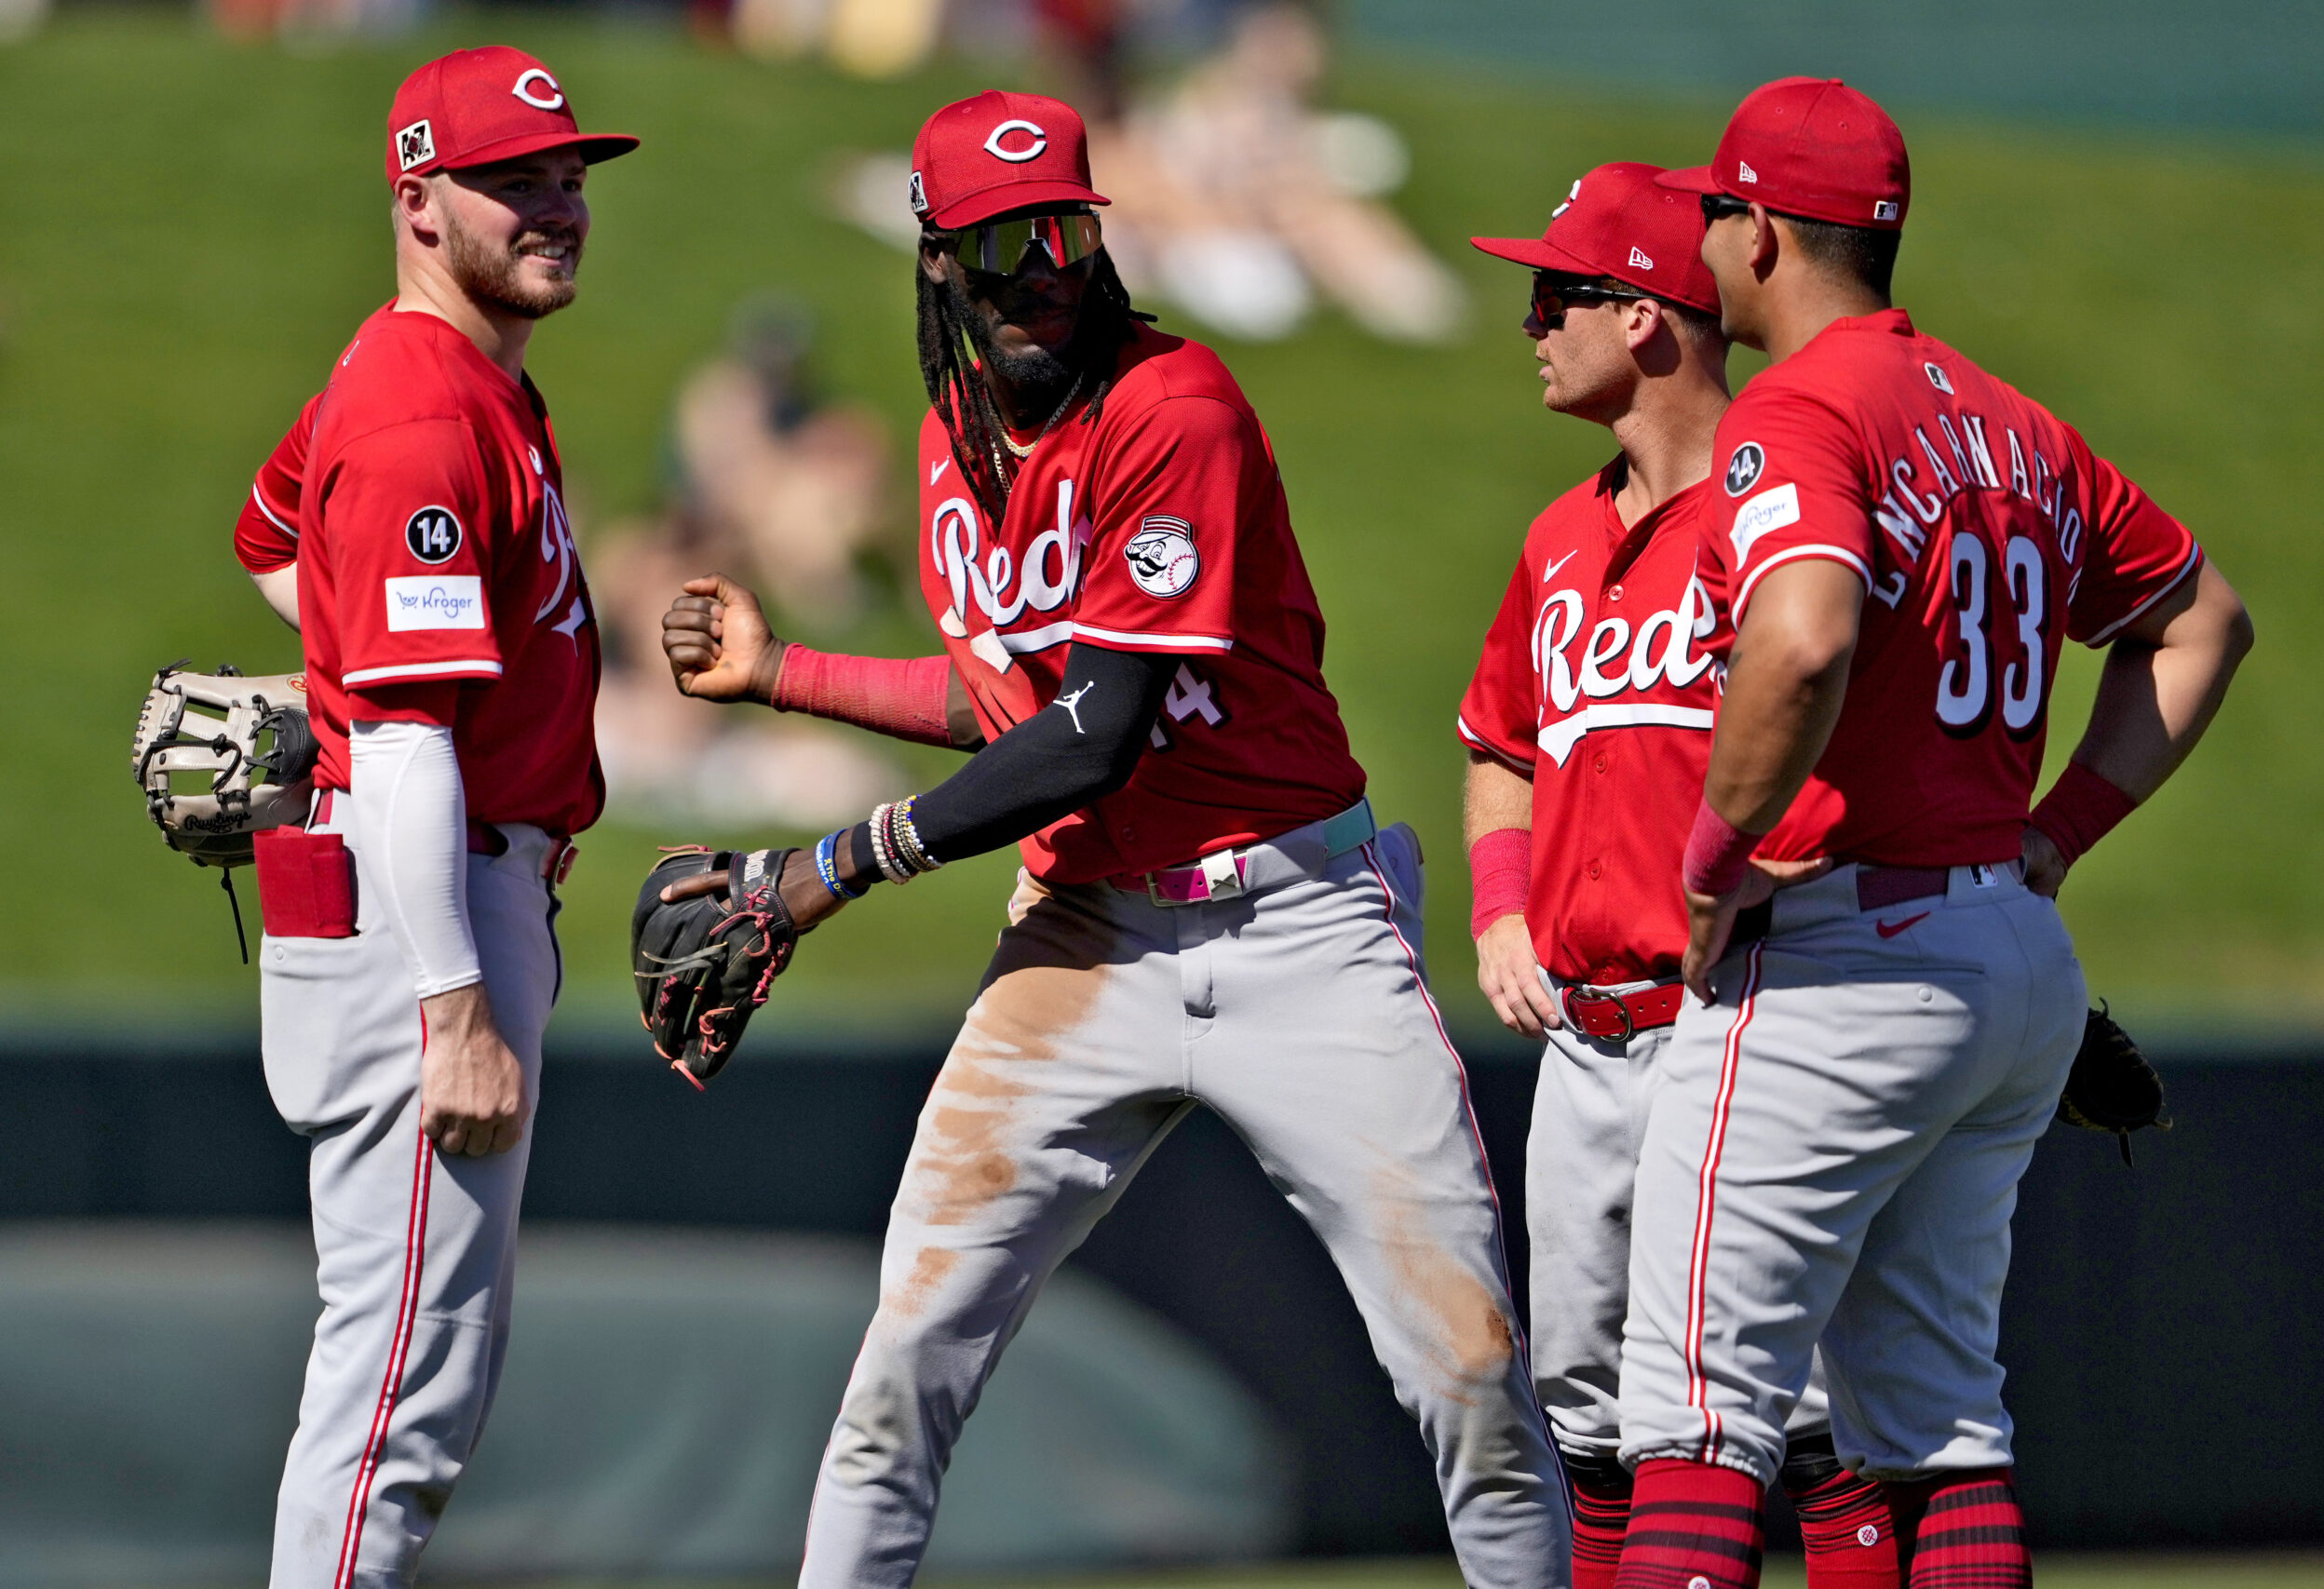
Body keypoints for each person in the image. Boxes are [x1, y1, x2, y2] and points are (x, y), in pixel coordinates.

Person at [659, 89, 1569, 1589]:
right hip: (1085, 929)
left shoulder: (1172, 407)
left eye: (1067, 231)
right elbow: (1017, 697)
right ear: (938, 258)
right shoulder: (957, 439)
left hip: (1298, 929)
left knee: (1466, 1373)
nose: (1043, 270)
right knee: (901, 1376)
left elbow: (1096, 729)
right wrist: (783, 675)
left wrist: (834, 864)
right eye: (1003, 241)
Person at [1607, 78, 2253, 1588]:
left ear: (1761, 231)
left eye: (1715, 211)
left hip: (1841, 955)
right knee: (1939, 1430)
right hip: (2003, 951)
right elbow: (2202, 622)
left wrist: (1707, 864)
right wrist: (2061, 832)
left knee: (1696, 1422)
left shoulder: (1805, 408)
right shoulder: (2009, 419)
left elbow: (1806, 638)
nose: (1703, 236)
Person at [1459, 162, 1898, 1589]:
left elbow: (1865, 752)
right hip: (1586, 1039)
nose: (1530, 324)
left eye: (1553, 295)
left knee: (1801, 1424)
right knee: (1592, 1423)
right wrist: (1500, 907)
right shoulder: (1555, 537)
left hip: (1745, 1022)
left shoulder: (1779, 521)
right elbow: (1499, 749)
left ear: (1645, 318)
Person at [228, 47, 634, 1586]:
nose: (558, 205)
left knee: (408, 1377)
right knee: (400, 1390)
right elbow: (405, 740)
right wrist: (451, 1001)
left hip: (435, 878)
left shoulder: (445, 384)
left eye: (568, 175)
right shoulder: (419, 409)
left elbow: (272, 527)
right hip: (428, 904)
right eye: (513, 181)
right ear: (417, 201)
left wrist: (333, 672)